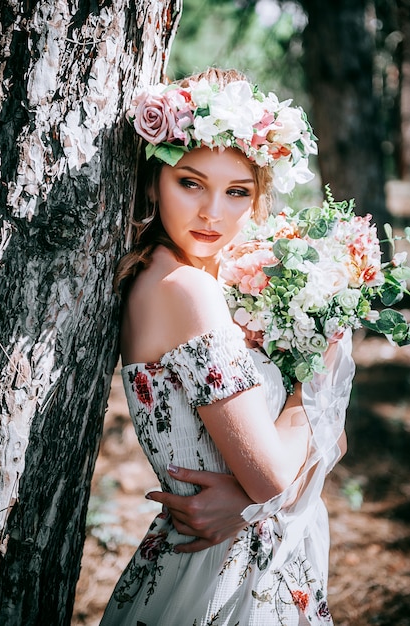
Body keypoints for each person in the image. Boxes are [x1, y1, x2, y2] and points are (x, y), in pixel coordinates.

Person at [100, 68, 355, 625]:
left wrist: (242, 504)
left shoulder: (219, 285)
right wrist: (320, 370)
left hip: (235, 547)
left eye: (236, 191)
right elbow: (273, 478)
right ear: (152, 182)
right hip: (220, 573)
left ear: (257, 197)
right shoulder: (183, 290)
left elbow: (271, 478)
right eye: (190, 182)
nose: (213, 212)